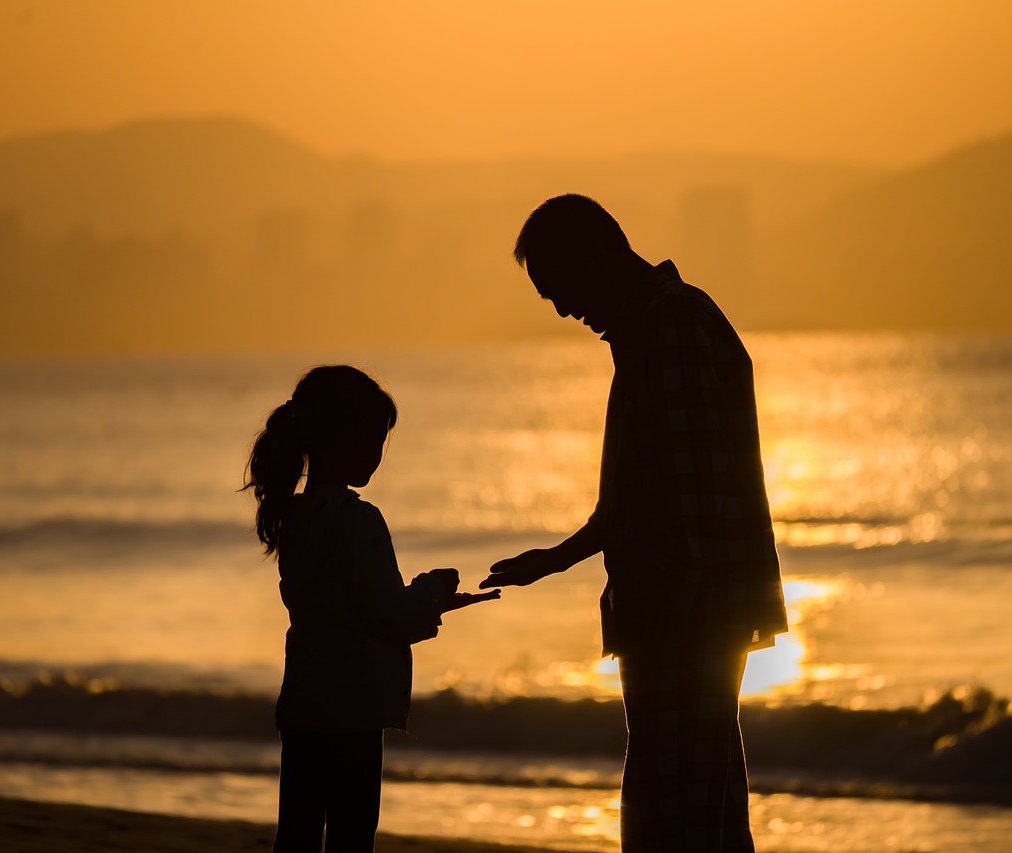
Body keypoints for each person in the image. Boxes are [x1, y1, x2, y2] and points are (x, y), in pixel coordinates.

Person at [480, 195, 788, 852]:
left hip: (683, 612)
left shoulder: (668, 325)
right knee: (688, 795)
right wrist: (559, 557)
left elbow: (691, 491)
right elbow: (651, 489)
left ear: (595, 255)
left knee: (681, 805)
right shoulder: (661, 323)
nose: (565, 309)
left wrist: (681, 606)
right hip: (680, 609)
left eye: (561, 288)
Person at [244, 364, 499, 852]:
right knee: (351, 837)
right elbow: (390, 616)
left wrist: (430, 602)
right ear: (358, 434)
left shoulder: (294, 517)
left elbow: (343, 605)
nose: (380, 455)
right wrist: (435, 590)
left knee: (295, 834)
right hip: (352, 713)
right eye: (380, 440)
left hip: (303, 708)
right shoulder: (359, 521)